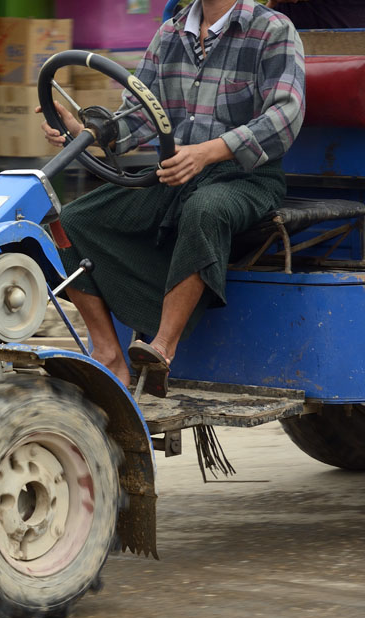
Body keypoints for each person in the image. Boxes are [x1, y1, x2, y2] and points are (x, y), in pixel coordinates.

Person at [37, 0, 305, 396]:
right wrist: (84, 131)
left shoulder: (273, 30)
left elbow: (285, 116)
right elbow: (139, 118)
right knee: (69, 221)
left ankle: (162, 346)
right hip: (177, 171)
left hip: (246, 177)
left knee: (205, 209)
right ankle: (108, 351)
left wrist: (208, 152)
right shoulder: (169, 34)